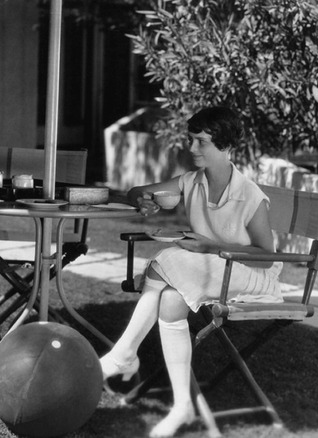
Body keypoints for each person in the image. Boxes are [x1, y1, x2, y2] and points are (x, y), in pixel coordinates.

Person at [99, 106, 282, 437]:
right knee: (170, 299)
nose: (193, 148)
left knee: (167, 257)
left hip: (250, 275)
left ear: (225, 147)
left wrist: (211, 247)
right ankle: (182, 405)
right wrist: (144, 201)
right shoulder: (190, 181)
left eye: (202, 142)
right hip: (215, 269)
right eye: (192, 140)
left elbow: (267, 256)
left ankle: (125, 352)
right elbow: (136, 192)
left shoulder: (250, 195)